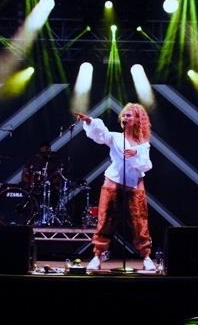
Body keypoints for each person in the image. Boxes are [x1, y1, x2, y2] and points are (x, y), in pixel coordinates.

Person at [74, 103, 155, 271]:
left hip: (134, 180)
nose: (125, 118)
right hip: (114, 178)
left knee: (139, 219)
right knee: (106, 218)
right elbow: (101, 135)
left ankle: (146, 256)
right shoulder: (115, 137)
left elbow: (146, 165)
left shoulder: (143, 143)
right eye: (124, 115)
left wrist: (136, 153)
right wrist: (89, 121)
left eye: (129, 115)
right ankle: (98, 255)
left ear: (137, 119)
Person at [21, 142, 63, 211]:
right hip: (33, 187)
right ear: (40, 149)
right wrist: (30, 184)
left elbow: (58, 177)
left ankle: (53, 212)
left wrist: (51, 184)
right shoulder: (32, 160)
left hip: (48, 188)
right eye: (43, 148)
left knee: (54, 196)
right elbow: (24, 174)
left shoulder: (53, 163)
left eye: (47, 148)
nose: (45, 150)